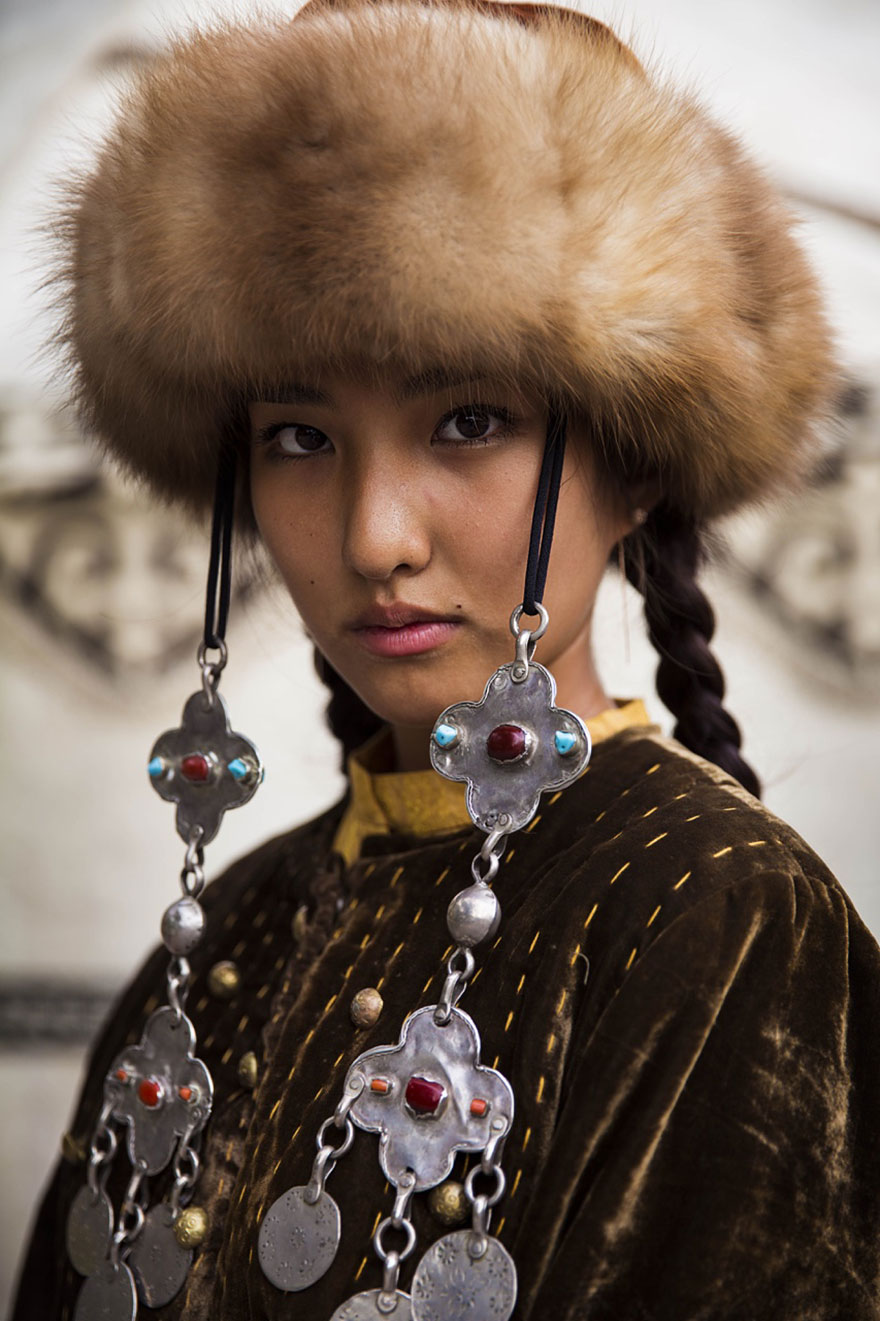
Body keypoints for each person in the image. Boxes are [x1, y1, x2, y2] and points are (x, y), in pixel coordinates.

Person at [13, 0, 880, 1317]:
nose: (373, 535)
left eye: (468, 420)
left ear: (636, 463)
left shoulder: (716, 912)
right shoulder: (228, 925)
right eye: (299, 437)